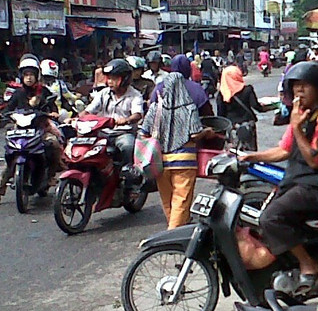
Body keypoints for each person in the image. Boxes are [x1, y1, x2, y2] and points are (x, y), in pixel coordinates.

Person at [241, 61, 318, 290]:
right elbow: (284, 150)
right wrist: (251, 157)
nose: (299, 90)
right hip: (294, 183)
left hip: (316, 188)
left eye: (305, 86)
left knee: (271, 218)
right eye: (295, 86)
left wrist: (297, 127)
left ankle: (308, 264)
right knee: (259, 219)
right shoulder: (301, 115)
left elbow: (314, 159)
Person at [141, 72, 213, 228]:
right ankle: (172, 235)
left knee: (168, 203)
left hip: (160, 161)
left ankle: (177, 229)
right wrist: (207, 132)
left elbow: (144, 132)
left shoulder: (155, 107)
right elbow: (194, 134)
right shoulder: (189, 108)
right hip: (184, 162)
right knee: (181, 201)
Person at [0, 55, 60, 207]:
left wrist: (53, 112)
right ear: (21, 76)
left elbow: (53, 106)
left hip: (40, 129)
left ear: (37, 75)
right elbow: (8, 107)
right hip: (20, 131)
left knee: (53, 144)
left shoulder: (43, 91)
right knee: (11, 160)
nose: (29, 78)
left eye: (31, 75)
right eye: (26, 75)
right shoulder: (18, 93)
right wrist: (0, 114)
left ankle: (51, 175)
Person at [83, 58, 143, 167]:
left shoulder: (135, 95)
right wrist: (77, 118)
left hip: (123, 133)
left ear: (124, 79)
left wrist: (126, 120)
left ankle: (128, 173)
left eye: (114, 78)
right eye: (109, 78)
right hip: (103, 132)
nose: (109, 82)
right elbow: (89, 110)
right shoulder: (103, 93)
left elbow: (137, 114)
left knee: (128, 146)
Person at [217, 64, 273, 149]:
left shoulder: (222, 94)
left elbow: (221, 115)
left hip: (232, 127)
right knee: (250, 152)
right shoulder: (248, 89)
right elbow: (256, 106)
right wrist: (271, 107)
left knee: (234, 154)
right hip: (248, 125)